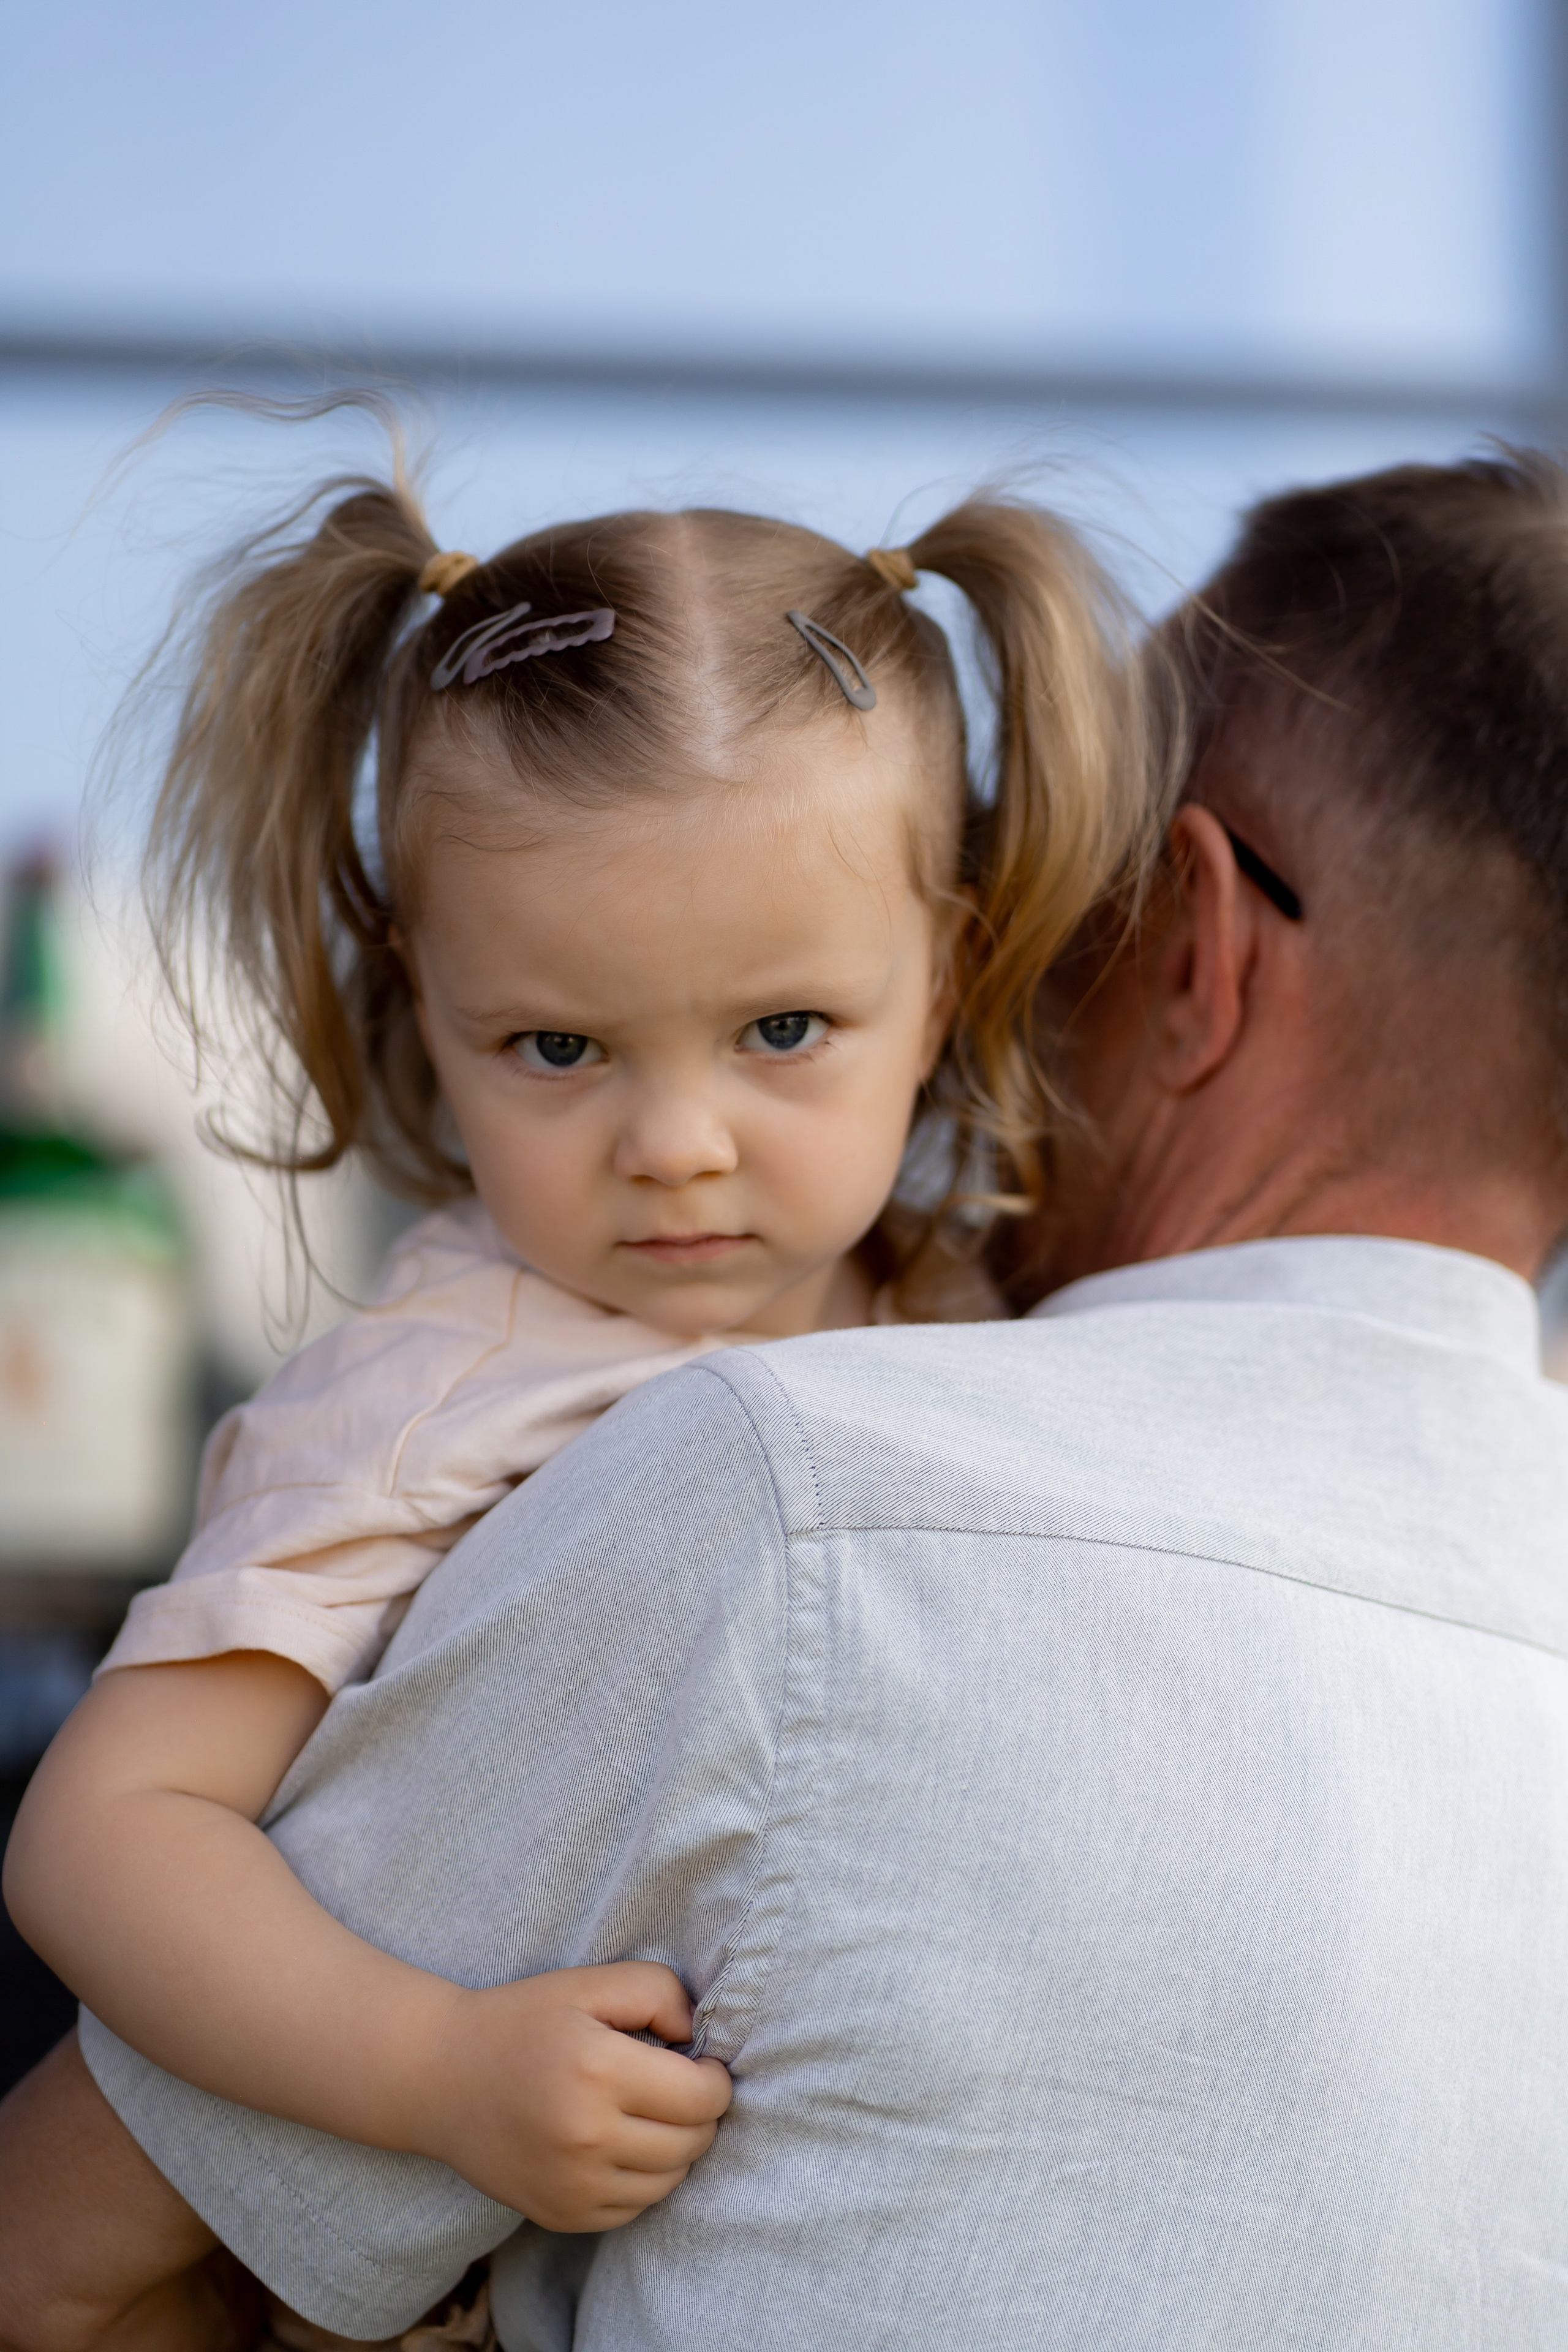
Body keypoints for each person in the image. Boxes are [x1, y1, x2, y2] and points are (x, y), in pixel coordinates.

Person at [9, 445, 1568, 2350]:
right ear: (428, 1000)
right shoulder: (445, 1390)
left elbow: (63, 2251)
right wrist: (426, 2068)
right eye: (559, 1044)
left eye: (781, 1029)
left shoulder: (870, 1401)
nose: (676, 1144)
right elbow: (111, 1828)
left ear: (970, 967)